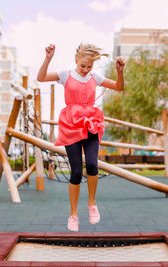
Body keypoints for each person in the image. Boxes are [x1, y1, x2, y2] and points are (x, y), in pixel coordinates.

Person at [37, 43, 125, 232]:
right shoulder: (65, 75)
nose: (85, 70)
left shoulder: (95, 77)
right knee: (76, 172)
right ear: (76, 61)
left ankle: (92, 204)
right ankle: (73, 214)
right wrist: (48, 58)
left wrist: (119, 71)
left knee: (93, 165)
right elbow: (41, 77)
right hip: (71, 125)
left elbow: (119, 87)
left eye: (89, 67)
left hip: (91, 123)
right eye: (83, 66)